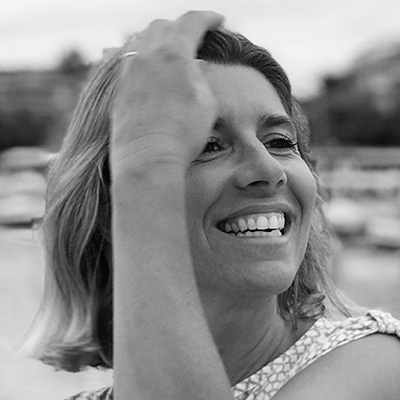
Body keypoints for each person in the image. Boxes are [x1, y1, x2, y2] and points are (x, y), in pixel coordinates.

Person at [22, 11, 400, 400]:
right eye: (209, 145)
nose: (269, 170)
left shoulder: (378, 366)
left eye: (280, 142)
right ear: (110, 202)